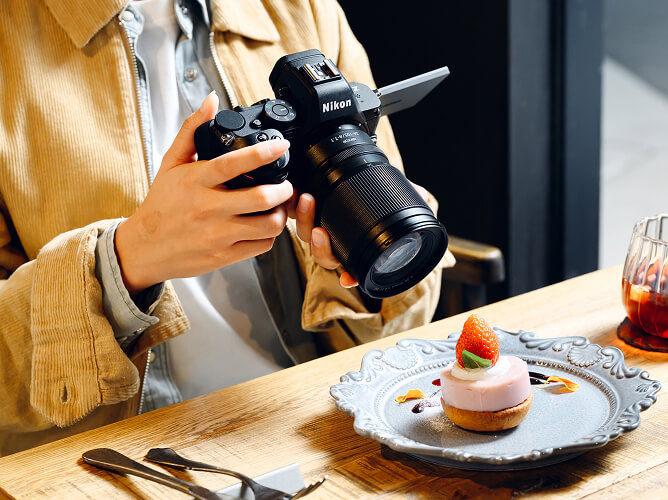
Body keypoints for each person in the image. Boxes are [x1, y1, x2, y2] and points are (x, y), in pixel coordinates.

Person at [0, 0, 453, 456]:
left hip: (315, 420)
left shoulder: (305, 9)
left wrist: (346, 264)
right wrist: (127, 259)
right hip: (115, 458)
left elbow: (405, 286)